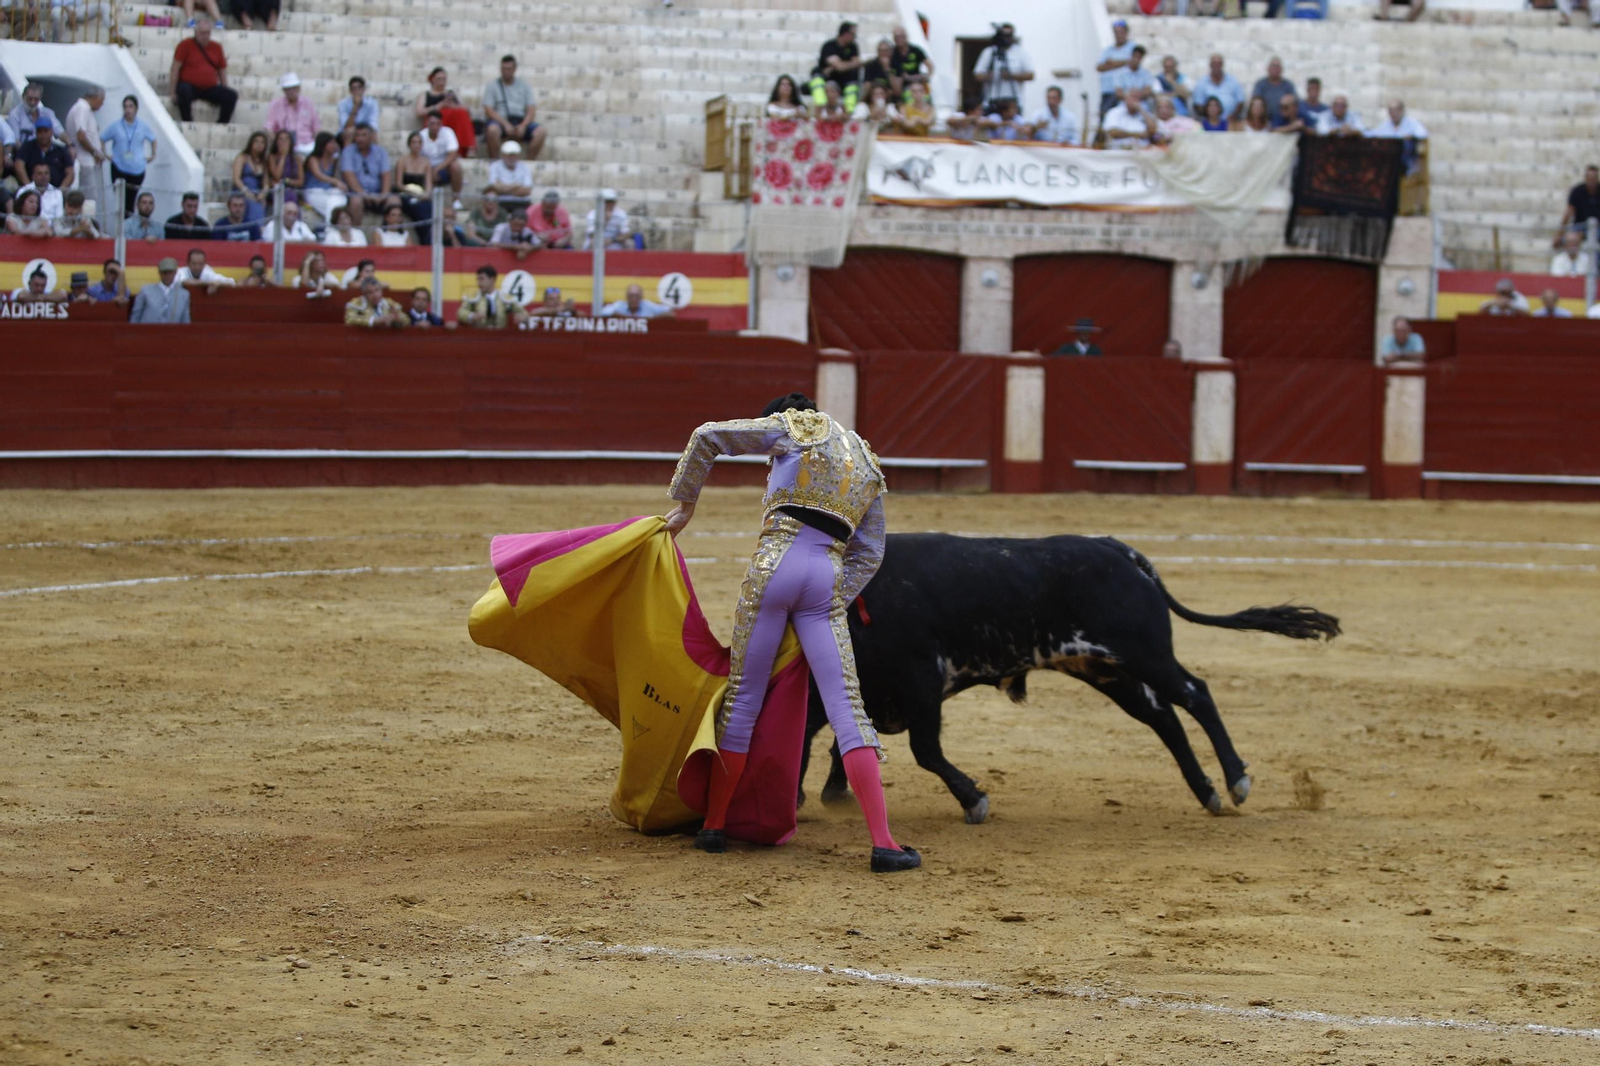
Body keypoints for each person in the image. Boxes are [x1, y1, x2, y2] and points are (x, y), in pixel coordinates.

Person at [663, 393, 916, 873]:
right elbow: (870, 552)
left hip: (774, 566)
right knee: (848, 709)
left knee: (743, 700)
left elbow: (707, 436)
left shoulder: (793, 426)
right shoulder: (866, 459)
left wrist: (684, 506)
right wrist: (826, 608)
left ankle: (713, 828)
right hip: (825, 574)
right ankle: (884, 844)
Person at [170, 17, 237, 124]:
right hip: (190, 86)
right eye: (202, 33)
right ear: (196, 32)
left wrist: (224, 88)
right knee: (183, 90)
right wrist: (172, 92)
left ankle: (221, 123)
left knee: (231, 96)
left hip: (210, 88)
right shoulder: (185, 45)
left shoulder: (217, 47)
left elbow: (222, 70)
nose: (205, 36)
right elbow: (175, 68)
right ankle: (187, 121)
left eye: (207, 33)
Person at [481, 54, 546, 159]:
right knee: (492, 130)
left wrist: (523, 125)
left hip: (520, 120)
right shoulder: (492, 85)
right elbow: (488, 110)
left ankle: (529, 162)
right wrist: (505, 124)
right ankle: (495, 161)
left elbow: (531, 109)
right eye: (503, 69)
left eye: (509, 69)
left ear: (515, 69)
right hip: (500, 120)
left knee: (541, 132)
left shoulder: (524, 86)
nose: (506, 71)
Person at [103, 95, 157, 216]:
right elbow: (103, 138)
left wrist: (153, 155)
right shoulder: (116, 126)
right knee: (120, 201)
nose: (128, 109)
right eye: (126, 106)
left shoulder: (142, 126)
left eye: (131, 106)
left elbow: (153, 139)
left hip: (137, 169)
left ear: (136, 108)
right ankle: (121, 228)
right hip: (119, 167)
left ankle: (129, 228)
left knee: (131, 201)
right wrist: (106, 154)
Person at [413, 67, 476, 161]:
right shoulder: (425, 94)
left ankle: (467, 148)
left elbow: (466, 110)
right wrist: (439, 106)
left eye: (444, 79)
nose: (441, 82)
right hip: (436, 122)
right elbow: (419, 112)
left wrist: (453, 105)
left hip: (452, 122)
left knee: (461, 114)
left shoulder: (451, 93)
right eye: (439, 79)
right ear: (432, 79)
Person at [973, 21, 1034, 111]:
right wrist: (993, 75)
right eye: (1004, 35)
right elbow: (977, 75)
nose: (1006, 39)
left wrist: (1010, 76)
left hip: (1013, 103)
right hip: (992, 101)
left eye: (1009, 35)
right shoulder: (989, 52)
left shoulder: (1021, 53)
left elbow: (1030, 75)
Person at [339, 123, 393, 219]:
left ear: (371, 136)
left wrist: (384, 194)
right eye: (357, 135)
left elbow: (386, 174)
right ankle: (357, 232)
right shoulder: (348, 151)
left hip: (377, 192)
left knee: (394, 201)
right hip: (357, 193)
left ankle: (390, 232)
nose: (360, 139)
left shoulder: (381, 151)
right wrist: (365, 195)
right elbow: (349, 176)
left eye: (363, 135)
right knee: (356, 201)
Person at [807, 21, 862, 111]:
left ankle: (849, 110)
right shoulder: (829, 46)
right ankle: (820, 104)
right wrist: (846, 65)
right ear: (845, 34)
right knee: (816, 73)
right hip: (828, 78)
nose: (854, 38)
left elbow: (856, 64)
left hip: (844, 79)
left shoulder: (853, 47)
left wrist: (836, 66)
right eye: (853, 35)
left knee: (854, 76)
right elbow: (841, 66)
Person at [65, 87, 106, 204]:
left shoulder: (85, 110)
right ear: (96, 98)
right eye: (102, 101)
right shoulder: (82, 108)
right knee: (89, 198)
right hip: (85, 161)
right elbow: (81, 135)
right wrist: (95, 152)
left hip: (89, 162)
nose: (101, 105)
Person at [303, 131, 350, 224]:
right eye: (331, 142)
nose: (335, 145)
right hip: (314, 191)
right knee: (333, 203)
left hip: (328, 192)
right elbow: (319, 175)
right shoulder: (313, 159)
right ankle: (334, 225)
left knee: (337, 197)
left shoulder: (333, 160)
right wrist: (336, 182)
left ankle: (331, 225)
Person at [1368, 100, 1428, 173]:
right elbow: (1373, 134)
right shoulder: (1385, 125)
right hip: (1387, 159)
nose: (1394, 113)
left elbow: (1422, 134)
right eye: (1391, 111)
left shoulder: (1412, 123)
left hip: (1405, 159)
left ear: (1402, 111)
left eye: (1396, 110)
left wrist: (1410, 137)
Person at [266, 73, 319, 155]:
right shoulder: (276, 104)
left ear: (299, 88)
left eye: (294, 88)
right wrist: (277, 142)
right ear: (283, 90)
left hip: (306, 144)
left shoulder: (308, 103)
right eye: (288, 88)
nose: (291, 91)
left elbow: (316, 127)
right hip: (285, 144)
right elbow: (269, 127)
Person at [457, 265, 525, 328]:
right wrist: (472, 316)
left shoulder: (505, 298)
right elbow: (460, 313)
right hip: (480, 336)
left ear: (492, 279)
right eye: (478, 279)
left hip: (501, 336)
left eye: (482, 279)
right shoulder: (473, 297)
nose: (479, 282)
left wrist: (522, 317)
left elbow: (523, 312)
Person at [417, 109, 463, 201]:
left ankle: (456, 200)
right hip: (427, 167)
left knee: (456, 166)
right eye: (432, 123)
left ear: (441, 124)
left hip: (444, 167)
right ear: (427, 123)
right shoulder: (421, 135)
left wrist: (437, 169)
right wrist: (430, 170)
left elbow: (453, 154)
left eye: (438, 124)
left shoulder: (448, 132)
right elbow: (418, 156)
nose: (435, 127)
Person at [1095, 19, 1137, 116]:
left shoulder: (1133, 47)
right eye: (1116, 32)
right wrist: (1123, 62)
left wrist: (1112, 63)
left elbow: (1133, 62)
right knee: (1104, 118)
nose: (1118, 35)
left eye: (1121, 32)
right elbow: (1099, 67)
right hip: (1108, 91)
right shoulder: (1108, 49)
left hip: (1125, 93)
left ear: (1126, 32)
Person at [131, 257, 192, 324]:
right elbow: (136, 316)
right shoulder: (146, 291)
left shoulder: (184, 294)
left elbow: (185, 320)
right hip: (148, 332)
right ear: (159, 273)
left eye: (170, 272)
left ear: (175, 272)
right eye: (164, 272)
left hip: (172, 333)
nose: (167, 275)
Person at [16, 122, 73, 190]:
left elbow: (70, 172)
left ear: (51, 132)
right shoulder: (27, 147)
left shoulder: (61, 150)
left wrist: (60, 191)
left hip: (56, 190)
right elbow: (18, 164)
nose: (43, 135)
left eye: (46, 131)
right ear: (36, 133)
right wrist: (28, 187)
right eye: (40, 132)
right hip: (32, 191)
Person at [1191, 54, 1244, 124]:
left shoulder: (1233, 81)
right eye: (1214, 63)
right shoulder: (1202, 83)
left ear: (1222, 65)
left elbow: (1240, 102)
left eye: (1219, 63)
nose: (1216, 66)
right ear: (1210, 65)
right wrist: (1210, 118)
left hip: (1230, 121)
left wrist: (1233, 116)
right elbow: (1198, 104)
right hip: (1209, 123)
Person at [1555, 165, 1599, 247]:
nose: (1591, 181)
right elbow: (1568, 213)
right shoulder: (1577, 191)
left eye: (1593, 178)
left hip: (1597, 228)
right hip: (1579, 226)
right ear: (1585, 178)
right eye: (1589, 178)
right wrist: (1559, 234)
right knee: (1568, 240)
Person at [232, 129, 271, 223]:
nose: (259, 144)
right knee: (252, 204)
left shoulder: (264, 161)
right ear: (251, 143)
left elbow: (266, 182)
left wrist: (264, 193)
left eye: (262, 142)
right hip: (242, 190)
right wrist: (246, 192)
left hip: (256, 192)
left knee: (261, 203)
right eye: (256, 141)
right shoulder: (242, 157)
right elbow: (236, 179)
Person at [485, 140, 533, 208]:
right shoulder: (495, 166)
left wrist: (503, 190)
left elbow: (527, 190)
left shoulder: (524, 167)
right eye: (509, 155)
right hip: (500, 201)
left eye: (514, 155)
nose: (511, 158)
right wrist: (516, 186)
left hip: (520, 202)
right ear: (503, 155)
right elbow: (494, 187)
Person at [337, 76, 379, 148]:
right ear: (350, 90)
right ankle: (347, 157)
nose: (357, 91)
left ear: (363, 89)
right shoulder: (342, 104)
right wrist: (355, 107)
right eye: (354, 89)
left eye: (359, 88)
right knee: (350, 133)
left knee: (373, 134)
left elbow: (373, 123)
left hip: (366, 129)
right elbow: (346, 126)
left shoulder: (372, 103)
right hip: (348, 131)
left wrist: (363, 131)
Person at [600, 283, 674, 318]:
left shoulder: (648, 305)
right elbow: (603, 312)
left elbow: (670, 313)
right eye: (631, 296)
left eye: (636, 296)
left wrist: (651, 319)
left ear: (641, 297)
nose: (633, 299)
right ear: (626, 297)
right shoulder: (620, 305)